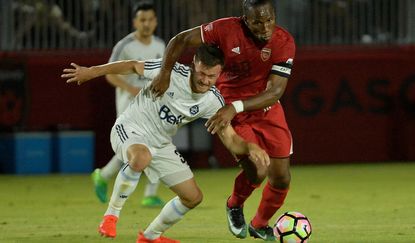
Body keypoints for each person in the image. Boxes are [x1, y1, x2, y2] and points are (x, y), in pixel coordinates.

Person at [62, 44, 270, 243]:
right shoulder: (171, 73)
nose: (205, 81)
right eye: (202, 74)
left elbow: (231, 139)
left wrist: (250, 146)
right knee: (141, 156)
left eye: (212, 76)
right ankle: (110, 217)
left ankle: (150, 236)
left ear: (219, 73)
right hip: (131, 127)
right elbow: (133, 65)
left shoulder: (213, 102)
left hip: (160, 144)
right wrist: (92, 71)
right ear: (194, 64)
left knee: (192, 197)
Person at [149, 0, 295, 241]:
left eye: (269, 20)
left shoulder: (283, 41)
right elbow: (180, 40)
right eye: (258, 22)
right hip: (226, 109)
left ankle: (260, 224)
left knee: (281, 177)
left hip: (264, 107)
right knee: (258, 171)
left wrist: (235, 107)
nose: (265, 27)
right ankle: (235, 205)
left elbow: (275, 92)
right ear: (245, 20)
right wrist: (165, 73)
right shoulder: (224, 29)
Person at [90, 2, 167, 207]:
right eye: (142, 20)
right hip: (129, 105)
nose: (147, 24)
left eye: (150, 19)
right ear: (135, 22)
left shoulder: (161, 46)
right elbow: (110, 75)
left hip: (152, 105)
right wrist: (130, 88)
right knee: (133, 149)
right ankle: (104, 175)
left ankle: (149, 193)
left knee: (157, 144)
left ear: (156, 21)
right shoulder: (125, 46)